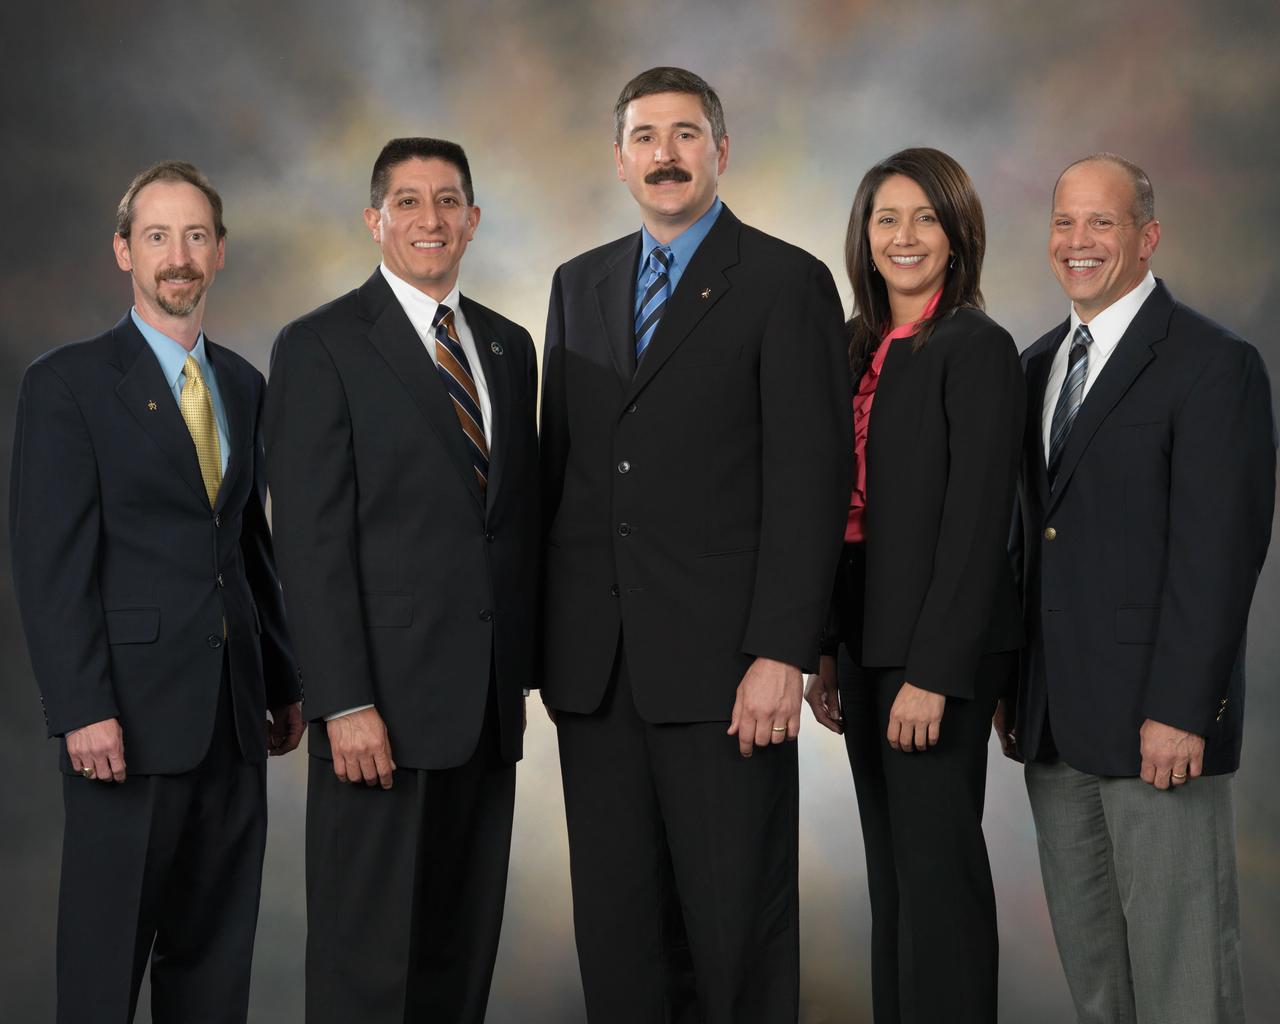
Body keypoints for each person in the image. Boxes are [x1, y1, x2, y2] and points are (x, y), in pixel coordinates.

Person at [539, 66, 852, 1023]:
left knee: (735, 937)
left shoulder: (786, 282)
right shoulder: (578, 283)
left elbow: (812, 484)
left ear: (721, 150)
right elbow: (564, 479)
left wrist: (781, 652)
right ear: (620, 158)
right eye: (644, 136)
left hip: (728, 672)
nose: (664, 154)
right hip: (597, 672)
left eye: (684, 134)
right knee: (621, 940)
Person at [9, 160, 302, 1023]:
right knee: (104, 969)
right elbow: (48, 561)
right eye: (158, 236)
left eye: (196, 236)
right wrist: (79, 707)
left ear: (220, 254)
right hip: (124, 723)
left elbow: (252, 547)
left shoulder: (244, 386)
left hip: (233, 720)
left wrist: (281, 681)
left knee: (214, 968)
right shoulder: (66, 385)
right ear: (122, 252)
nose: (179, 255)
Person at [263, 137, 539, 1024]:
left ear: (474, 220)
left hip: (486, 714)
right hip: (376, 711)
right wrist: (342, 701)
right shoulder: (321, 346)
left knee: (459, 962)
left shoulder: (507, 345)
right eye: (410, 202)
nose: (431, 219)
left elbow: (509, 523)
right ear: (375, 220)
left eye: (449, 201)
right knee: (368, 965)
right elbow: (307, 543)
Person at [998, 153, 1276, 1024]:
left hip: (1159, 724)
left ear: (1147, 237)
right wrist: (1014, 682)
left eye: (1103, 223)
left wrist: (1183, 708)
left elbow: (1219, 554)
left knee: (1184, 981)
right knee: (1097, 983)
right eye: (1065, 224)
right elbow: (1027, 544)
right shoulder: (1036, 365)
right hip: (1052, 724)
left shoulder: (1211, 364)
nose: (1079, 243)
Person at [803, 148, 1024, 1023]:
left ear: (958, 232)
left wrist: (933, 671)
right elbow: (835, 514)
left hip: (936, 649)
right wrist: (823, 647)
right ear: (864, 233)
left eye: (926, 218)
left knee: (938, 881)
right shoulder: (857, 346)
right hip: (863, 642)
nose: (904, 236)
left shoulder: (977, 348)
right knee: (894, 880)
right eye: (887, 218)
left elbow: (977, 527)